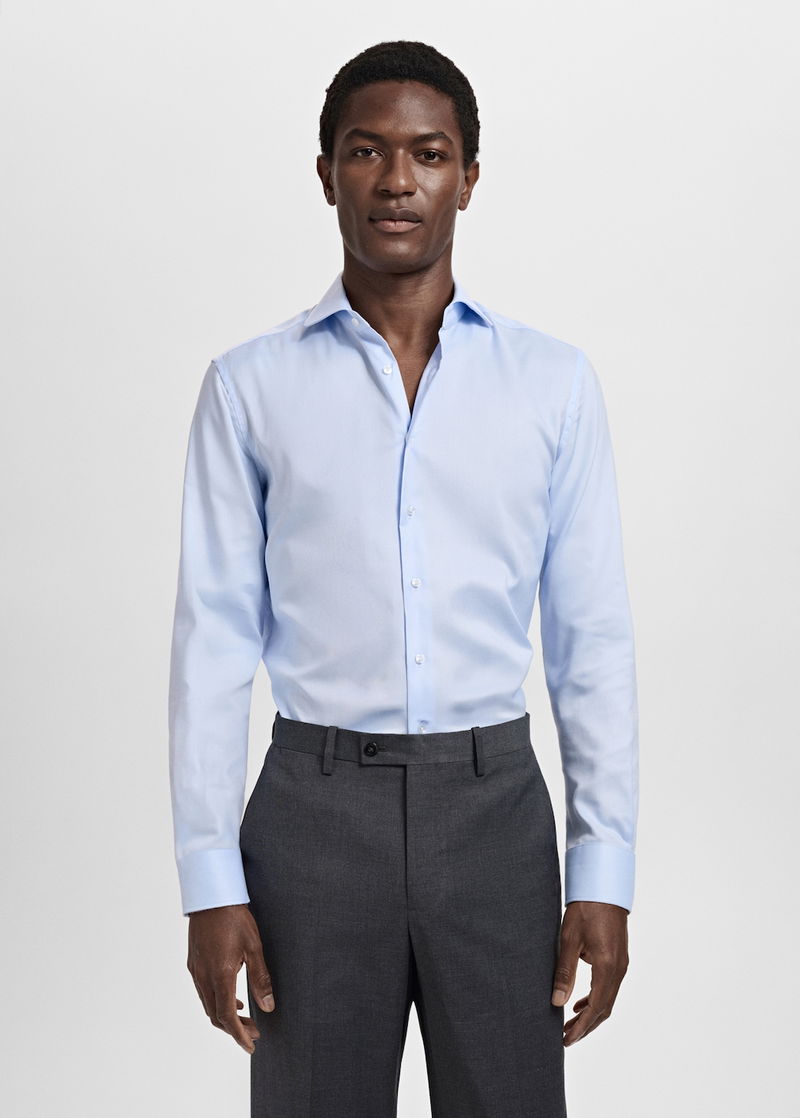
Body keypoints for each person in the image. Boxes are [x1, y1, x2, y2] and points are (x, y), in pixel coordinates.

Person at [168, 39, 639, 1118]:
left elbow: (591, 640)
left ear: (467, 177)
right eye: (365, 150)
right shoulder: (249, 387)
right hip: (311, 819)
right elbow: (212, 641)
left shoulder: (552, 385)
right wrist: (209, 880)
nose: (395, 180)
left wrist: (602, 869)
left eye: (427, 153)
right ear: (325, 172)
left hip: (496, 814)